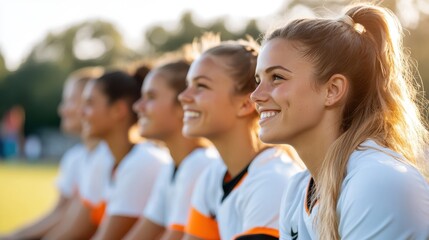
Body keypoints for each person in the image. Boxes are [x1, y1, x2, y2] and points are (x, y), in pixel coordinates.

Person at [251, 3, 429, 239]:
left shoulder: (378, 180)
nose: (256, 95)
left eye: (277, 77)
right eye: (258, 79)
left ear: (332, 90)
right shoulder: (297, 190)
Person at [178, 38, 303, 240]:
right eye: (187, 85)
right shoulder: (213, 176)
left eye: (200, 86)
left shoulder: (272, 179)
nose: (183, 96)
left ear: (246, 104)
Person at [0, 67, 103, 240]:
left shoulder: (107, 159)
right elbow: (60, 213)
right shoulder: (76, 157)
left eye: (70, 101)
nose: (62, 110)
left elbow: (76, 226)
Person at [125, 59, 220, 240]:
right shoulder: (172, 166)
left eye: (150, 97)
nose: (138, 106)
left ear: (181, 106)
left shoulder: (198, 164)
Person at [80, 70, 170, 240]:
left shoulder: (142, 162)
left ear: (118, 110)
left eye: (90, 103)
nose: (81, 112)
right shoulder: (113, 160)